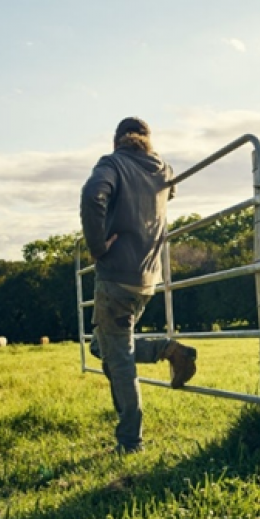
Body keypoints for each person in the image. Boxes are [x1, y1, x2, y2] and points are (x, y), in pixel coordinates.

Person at [81, 116, 197, 454]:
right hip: (148, 279)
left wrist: (97, 247)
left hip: (116, 275)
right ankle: (168, 351)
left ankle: (130, 443)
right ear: (149, 140)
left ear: (116, 140)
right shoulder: (164, 169)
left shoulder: (112, 163)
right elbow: (170, 192)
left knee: (118, 360)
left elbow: (93, 196)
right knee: (103, 347)